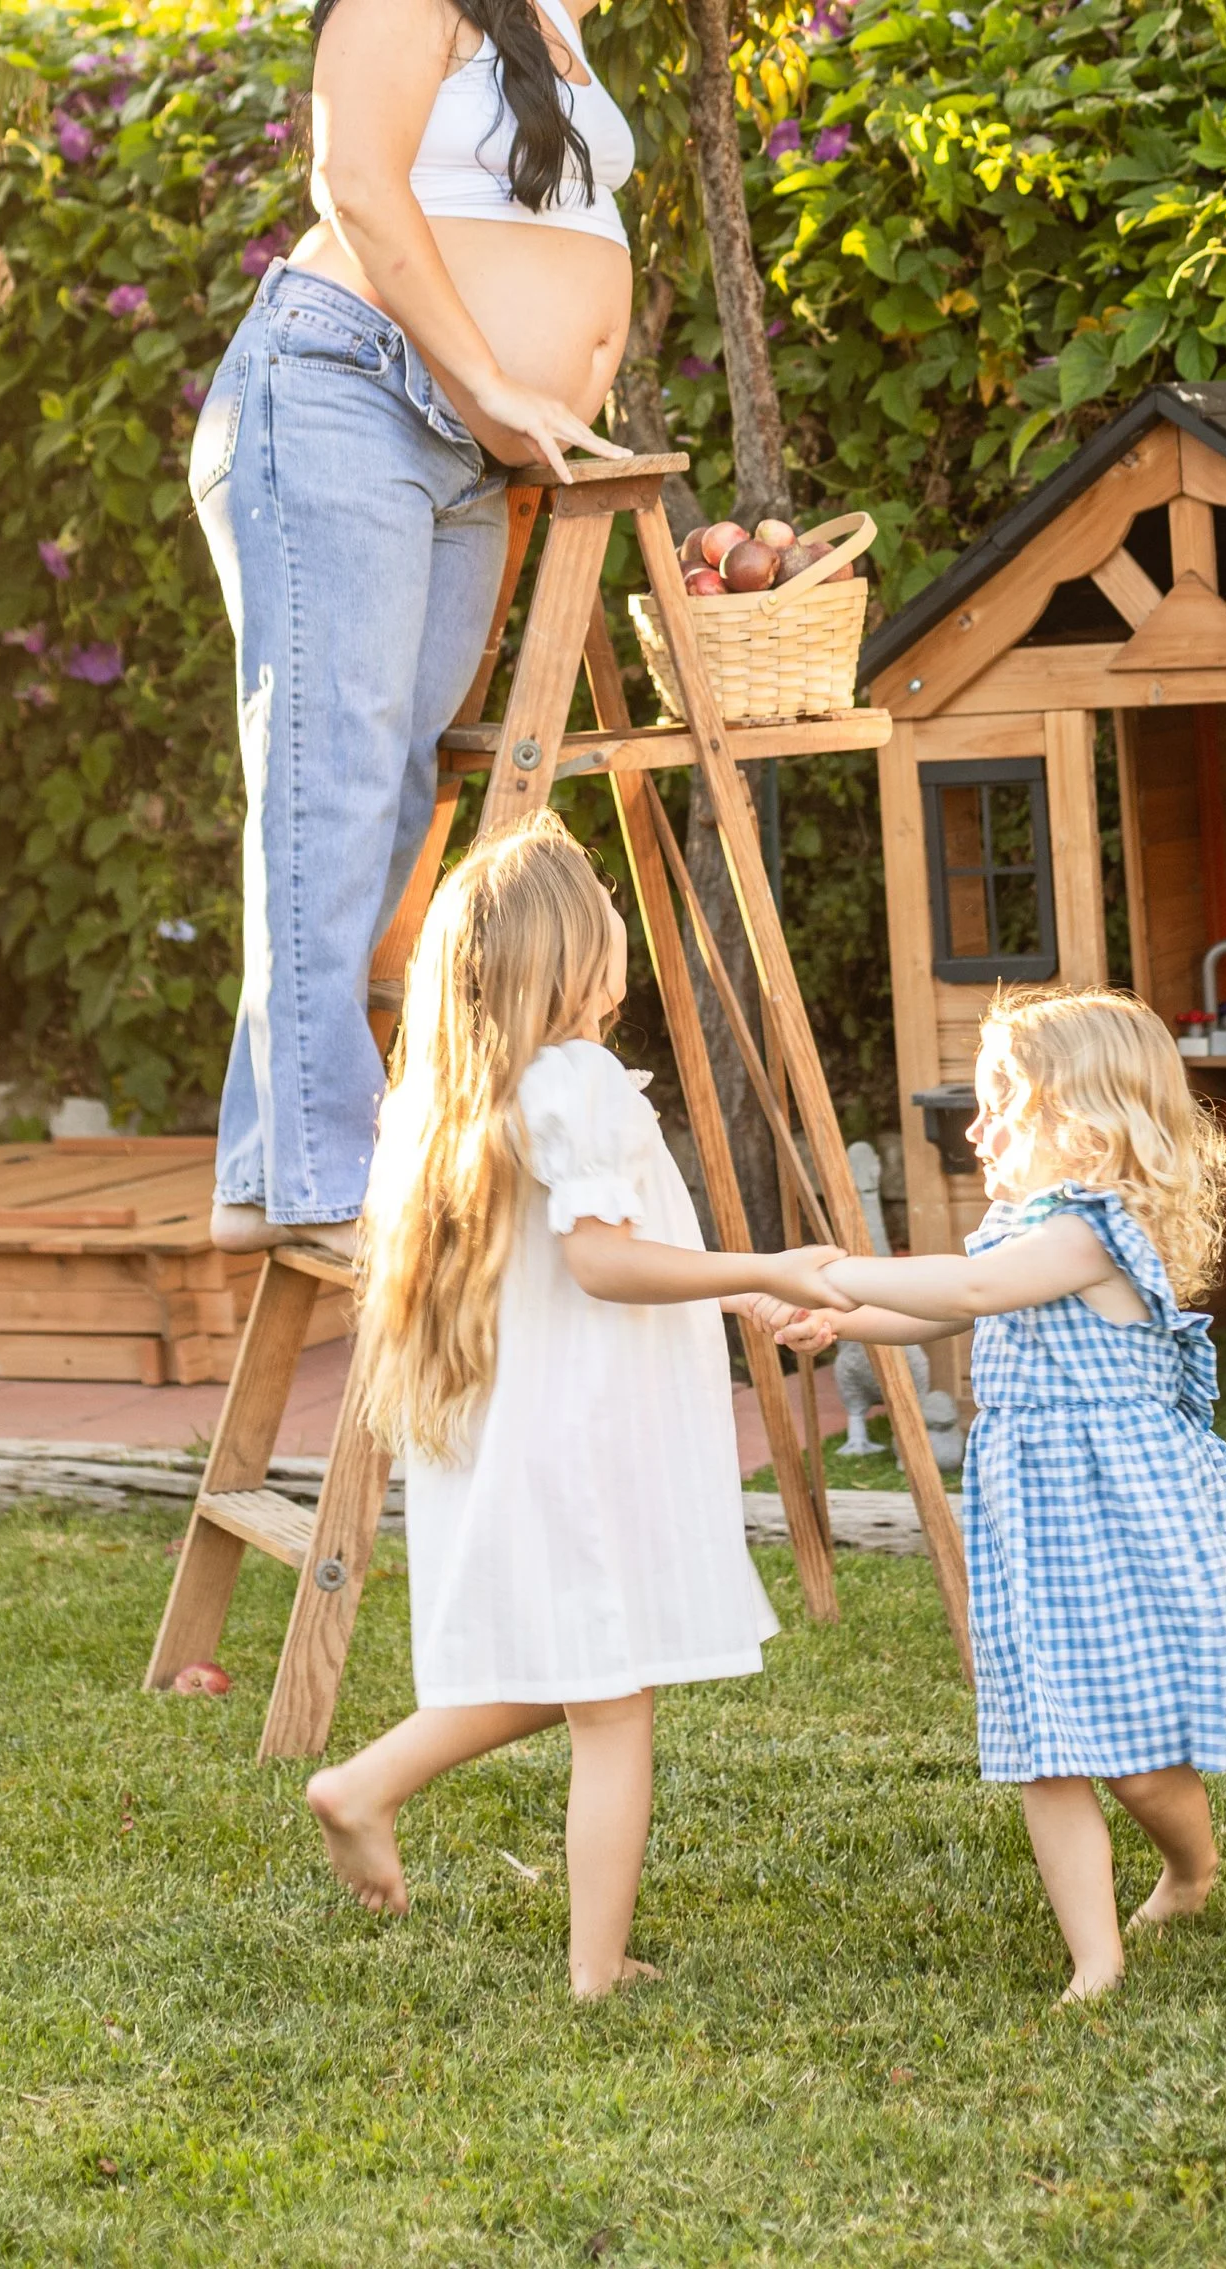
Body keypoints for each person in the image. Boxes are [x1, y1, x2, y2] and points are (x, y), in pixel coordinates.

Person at [304, 817, 849, 1999]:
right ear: (568, 956)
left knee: (586, 1666)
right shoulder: (575, 1081)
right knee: (613, 1707)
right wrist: (758, 1274)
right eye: (607, 930)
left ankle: (366, 1786)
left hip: (532, 1430)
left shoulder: (466, 1092)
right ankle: (596, 1971)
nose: (621, 955)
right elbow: (604, 1261)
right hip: (582, 1436)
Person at [188, 0, 636, 1262]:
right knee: (328, 781)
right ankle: (327, 1185)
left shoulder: (558, 29)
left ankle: (259, 1170)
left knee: (385, 797)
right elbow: (357, 184)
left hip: (464, 463)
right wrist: (494, 378)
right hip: (345, 394)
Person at [784, 989, 1226, 2002]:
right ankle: (1094, 1960)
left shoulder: (1094, 1232)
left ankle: (1191, 1869)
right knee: (1046, 1743)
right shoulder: (1022, 1228)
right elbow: (945, 1316)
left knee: (1142, 1764)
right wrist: (839, 1317)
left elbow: (968, 1294)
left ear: (1088, 1122)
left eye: (1002, 1105)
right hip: (1032, 1524)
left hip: (1118, 1527)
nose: (976, 1130)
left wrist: (835, 1274)